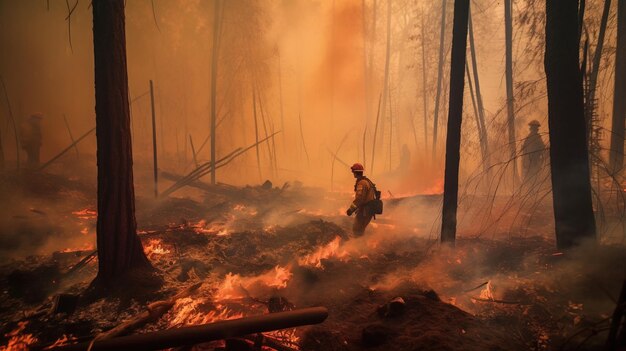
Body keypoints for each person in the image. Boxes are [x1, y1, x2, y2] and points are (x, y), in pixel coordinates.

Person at [346, 163, 376, 237]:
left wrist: (351, 209)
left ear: (356, 172)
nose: (353, 173)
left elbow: (359, 199)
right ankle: (361, 245)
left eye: (353, 172)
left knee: (357, 229)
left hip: (364, 211)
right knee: (360, 229)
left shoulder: (361, 183)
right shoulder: (367, 181)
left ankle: (358, 245)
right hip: (368, 210)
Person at [521, 119, 546, 184]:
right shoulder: (536, 137)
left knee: (531, 176)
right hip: (534, 161)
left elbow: (524, 149)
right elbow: (542, 147)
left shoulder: (528, 138)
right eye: (535, 128)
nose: (535, 129)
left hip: (532, 160)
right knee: (534, 175)